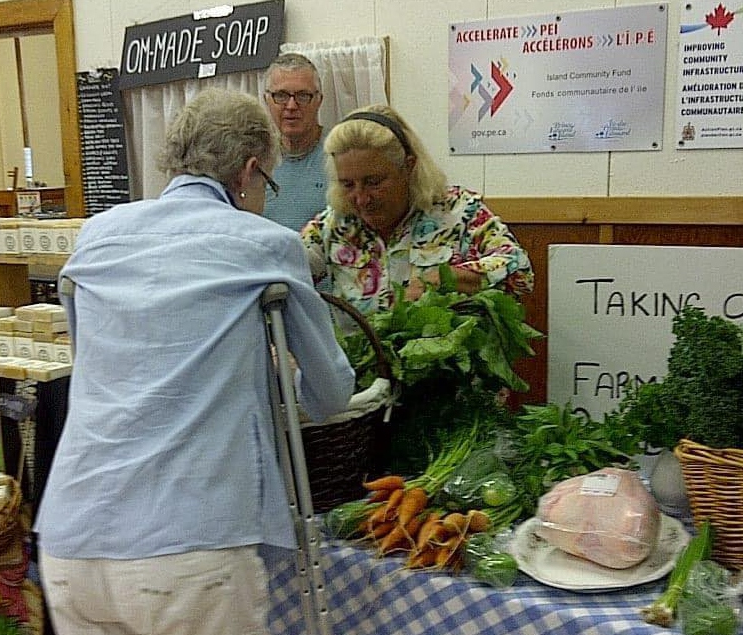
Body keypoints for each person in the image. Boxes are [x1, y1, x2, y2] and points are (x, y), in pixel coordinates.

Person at [34, 88, 355, 635]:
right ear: (249, 171)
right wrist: (282, 396)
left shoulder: (97, 235)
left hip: (71, 539)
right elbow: (331, 391)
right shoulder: (267, 243)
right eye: (266, 184)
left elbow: (88, 360)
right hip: (189, 545)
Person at [301, 104, 534, 315]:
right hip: (356, 361)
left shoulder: (460, 212)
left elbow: (519, 269)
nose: (361, 199)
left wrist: (445, 279)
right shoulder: (332, 226)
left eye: (374, 182)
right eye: (348, 185)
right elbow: (284, 266)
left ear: (408, 167)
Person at [262, 53, 328, 231]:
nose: (291, 106)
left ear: (319, 100)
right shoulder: (253, 162)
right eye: (281, 96)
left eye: (303, 96)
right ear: (266, 100)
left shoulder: (340, 156)